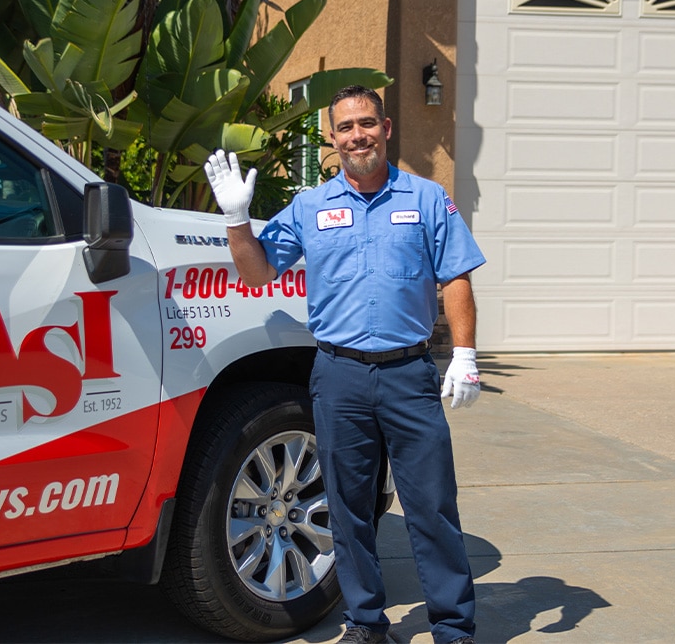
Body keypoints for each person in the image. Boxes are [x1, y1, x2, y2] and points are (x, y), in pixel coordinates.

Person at [204, 85, 485, 644]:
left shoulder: (428, 199)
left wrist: (465, 353)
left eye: (367, 123)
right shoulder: (310, 207)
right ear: (331, 138)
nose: (358, 135)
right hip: (339, 377)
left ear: (386, 128)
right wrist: (237, 218)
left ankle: (454, 627)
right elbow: (257, 273)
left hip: (408, 375)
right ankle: (365, 624)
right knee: (347, 509)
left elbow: (455, 275)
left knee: (431, 505)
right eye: (346, 127)